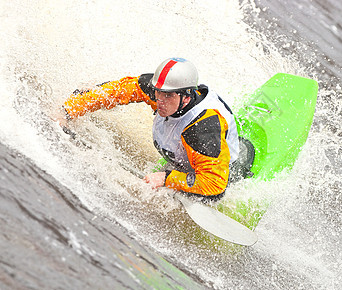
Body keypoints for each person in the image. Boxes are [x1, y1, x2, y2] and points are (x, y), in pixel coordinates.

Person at [57, 58, 241, 200]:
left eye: (167, 96)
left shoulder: (203, 129)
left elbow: (215, 184)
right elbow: (112, 91)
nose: (159, 100)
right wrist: (67, 111)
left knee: (214, 193)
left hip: (220, 167)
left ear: (186, 97)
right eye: (157, 92)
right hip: (187, 152)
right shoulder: (158, 90)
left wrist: (167, 178)